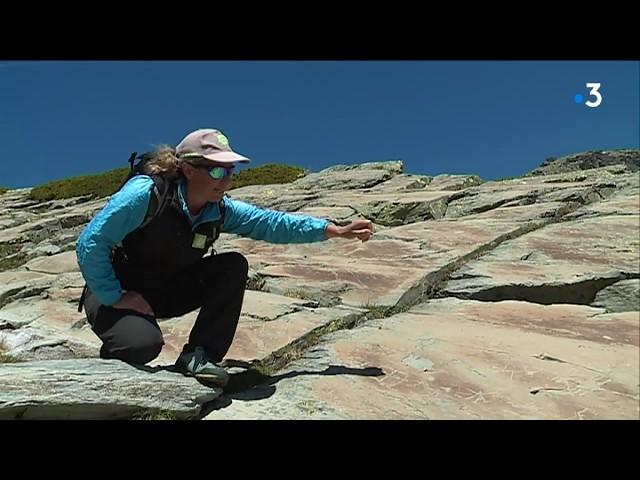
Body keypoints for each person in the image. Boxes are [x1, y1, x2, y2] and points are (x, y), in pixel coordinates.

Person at [75, 128, 373, 387]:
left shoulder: (218, 209)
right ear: (188, 170)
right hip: (116, 290)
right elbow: (91, 242)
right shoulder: (147, 194)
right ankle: (115, 357)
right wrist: (115, 295)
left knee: (232, 265)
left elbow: (270, 223)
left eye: (230, 171)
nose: (226, 179)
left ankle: (199, 355)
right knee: (141, 346)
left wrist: (331, 230)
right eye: (217, 170)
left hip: (162, 290)